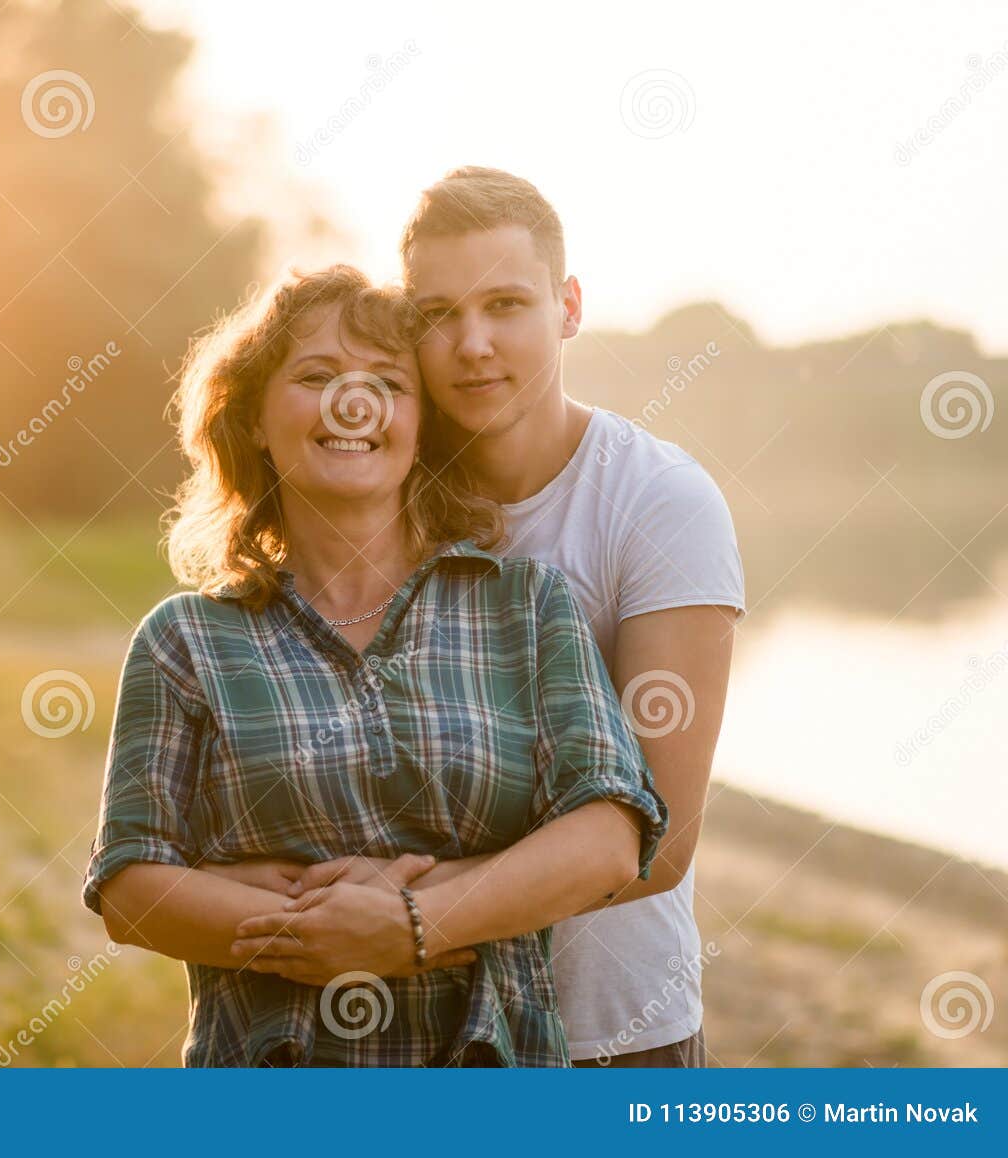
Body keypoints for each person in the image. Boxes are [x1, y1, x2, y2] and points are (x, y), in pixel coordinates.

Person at [81, 264, 667, 1066]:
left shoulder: (525, 607)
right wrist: (321, 938)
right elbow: (130, 888)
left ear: (420, 424)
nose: (350, 404)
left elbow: (608, 837)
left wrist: (414, 924)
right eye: (316, 376)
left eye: (387, 383)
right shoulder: (185, 640)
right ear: (253, 417)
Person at [383, 165, 745, 1065]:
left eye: (505, 304)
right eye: (437, 314)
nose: (472, 343)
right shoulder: (378, 497)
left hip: (609, 1036)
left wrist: (407, 917)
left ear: (569, 306)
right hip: (410, 1032)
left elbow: (659, 839)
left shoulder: (660, 502)